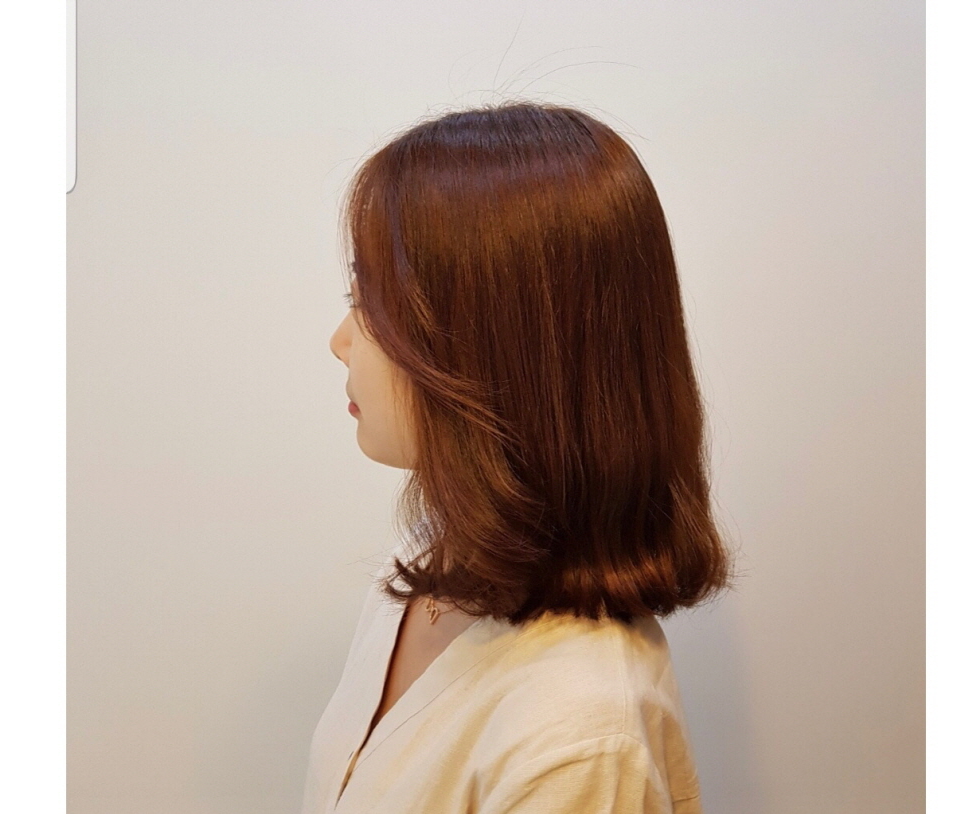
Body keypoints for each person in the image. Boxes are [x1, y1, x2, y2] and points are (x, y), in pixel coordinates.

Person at [304, 101, 731, 814]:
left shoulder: (576, 740)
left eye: (374, 304)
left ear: (491, 349)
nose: (340, 341)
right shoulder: (428, 565)